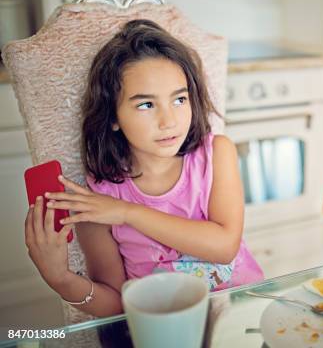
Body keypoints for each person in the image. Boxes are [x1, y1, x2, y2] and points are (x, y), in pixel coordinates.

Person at [24, 20, 263, 317]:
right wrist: (61, 279)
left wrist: (127, 212)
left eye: (179, 99)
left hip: (240, 316)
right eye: (146, 105)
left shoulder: (216, 154)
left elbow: (225, 246)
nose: (169, 120)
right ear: (113, 117)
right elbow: (115, 305)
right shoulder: (98, 201)